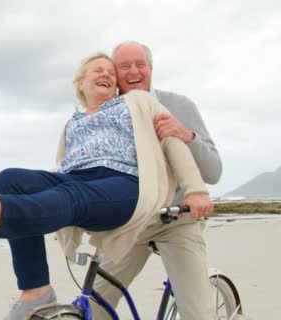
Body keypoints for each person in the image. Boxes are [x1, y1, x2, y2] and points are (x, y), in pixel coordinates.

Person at [0, 51, 214, 320]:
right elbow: (66, 166)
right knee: (11, 179)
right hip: (84, 184)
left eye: (111, 71)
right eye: (98, 70)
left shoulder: (140, 102)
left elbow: (173, 143)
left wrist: (196, 190)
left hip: (134, 191)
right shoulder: (74, 121)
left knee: (197, 314)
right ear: (80, 83)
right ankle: (35, 291)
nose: (107, 74)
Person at [86, 42, 223, 320]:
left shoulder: (179, 105)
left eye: (141, 64)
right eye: (125, 66)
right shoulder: (106, 112)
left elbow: (214, 172)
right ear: (115, 73)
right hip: (132, 223)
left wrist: (187, 136)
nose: (134, 71)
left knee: (198, 314)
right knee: (93, 306)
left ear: (151, 69)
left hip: (177, 220)